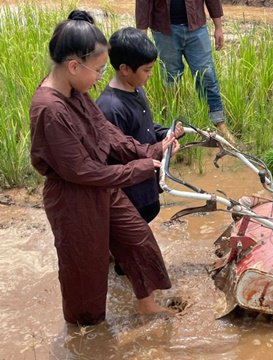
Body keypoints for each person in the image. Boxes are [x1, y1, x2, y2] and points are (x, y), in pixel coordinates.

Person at [29, 10, 179, 326]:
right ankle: (87, 336)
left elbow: (106, 133)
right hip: (74, 197)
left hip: (103, 185)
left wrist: (150, 150)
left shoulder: (76, 90)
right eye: (97, 70)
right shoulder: (50, 109)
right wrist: (137, 169)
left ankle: (148, 307)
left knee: (138, 240)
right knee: (84, 272)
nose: (100, 78)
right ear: (73, 66)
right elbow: (81, 171)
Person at [96, 27, 184, 275]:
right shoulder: (110, 108)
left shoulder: (136, 90)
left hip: (145, 185)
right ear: (124, 69)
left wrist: (166, 133)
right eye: (146, 70)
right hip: (129, 194)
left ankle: (116, 255)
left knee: (134, 234)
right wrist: (160, 150)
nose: (150, 75)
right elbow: (122, 153)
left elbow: (145, 128)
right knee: (132, 252)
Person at [135, 0, 235, 142]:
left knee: (206, 75)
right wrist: (142, 35)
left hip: (196, 27)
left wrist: (218, 26)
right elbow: (143, 3)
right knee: (171, 78)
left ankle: (219, 122)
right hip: (164, 30)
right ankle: (174, 123)